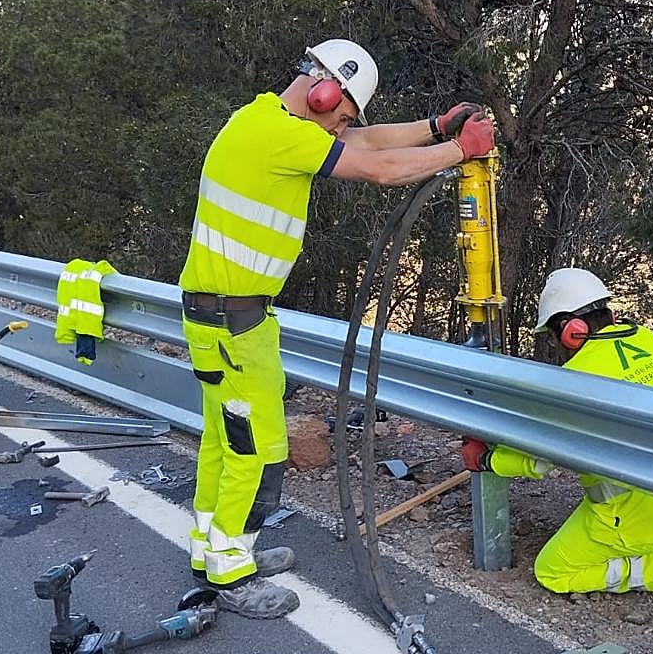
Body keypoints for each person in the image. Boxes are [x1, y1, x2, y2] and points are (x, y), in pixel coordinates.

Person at [178, 37, 495, 619]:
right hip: (233, 322)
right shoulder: (278, 134)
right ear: (325, 92)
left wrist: (433, 125)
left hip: (223, 317)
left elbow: (366, 141)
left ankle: (211, 549)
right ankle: (231, 569)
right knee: (261, 449)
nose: (340, 127)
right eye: (342, 113)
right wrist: (459, 150)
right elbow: (377, 166)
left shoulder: (264, 120)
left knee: (225, 442)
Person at [460, 268, 653, 604]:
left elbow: (539, 459)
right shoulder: (645, 338)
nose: (554, 345)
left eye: (551, 335)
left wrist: (488, 459)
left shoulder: (578, 380)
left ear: (571, 330)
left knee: (553, 573)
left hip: (633, 513)